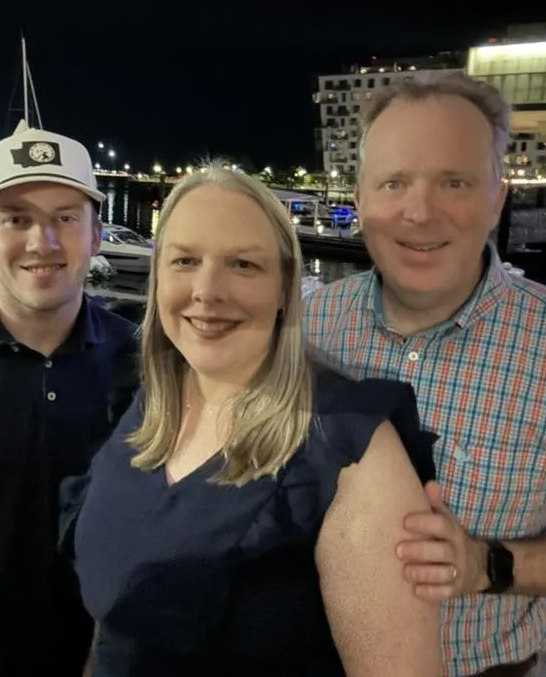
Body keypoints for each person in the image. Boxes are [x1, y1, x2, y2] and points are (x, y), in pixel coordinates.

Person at [304, 72, 546, 677]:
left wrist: (486, 566)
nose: (419, 212)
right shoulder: (307, 331)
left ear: (498, 195)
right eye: (394, 182)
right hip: (304, 655)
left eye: (454, 181)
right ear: (360, 198)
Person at [60, 167, 443, 676]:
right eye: (184, 261)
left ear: (285, 287)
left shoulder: (348, 449)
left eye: (242, 264)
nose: (207, 290)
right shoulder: (143, 406)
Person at [0, 122, 139, 675]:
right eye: (17, 219)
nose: (41, 242)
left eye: (64, 219)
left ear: (96, 235)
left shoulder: (144, 364)